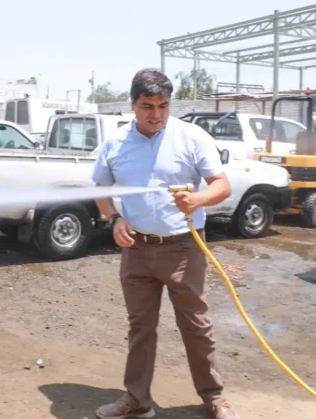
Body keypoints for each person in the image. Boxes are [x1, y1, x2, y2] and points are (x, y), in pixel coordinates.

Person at [91, 68, 237, 419]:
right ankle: (137, 401)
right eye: (146, 106)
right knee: (140, 326)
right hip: (136, 249)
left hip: (184, 248)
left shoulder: (191, 137)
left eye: (163, 105)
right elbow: (100, 189)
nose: (155, 114)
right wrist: (114, 218)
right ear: (132, 104)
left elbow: (222, 184)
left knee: (195, 324)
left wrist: (199, 201)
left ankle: (215, 398)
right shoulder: (115, 144)